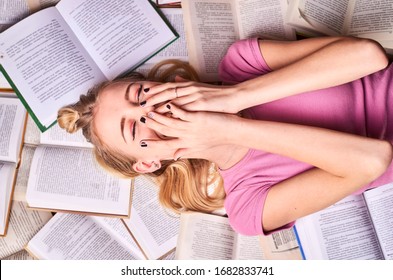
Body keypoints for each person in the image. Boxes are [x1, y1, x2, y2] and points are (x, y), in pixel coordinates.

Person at [58, 36, 393, 236]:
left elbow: (369, 56)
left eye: (142, 94)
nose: (150, 111)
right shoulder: (247, 206)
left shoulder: (242, 63)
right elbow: (373, 160)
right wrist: (232, 130)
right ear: (149, 161)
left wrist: (238, 97)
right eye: (134, 127)